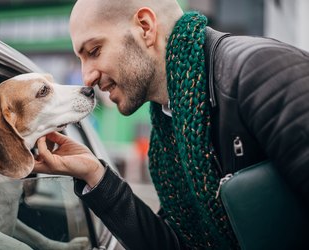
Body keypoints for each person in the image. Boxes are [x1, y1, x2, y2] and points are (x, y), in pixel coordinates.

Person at [34, 0, 309, 249]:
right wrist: (95, 175)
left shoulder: (257, 72)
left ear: (145, 27)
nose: (87, 77)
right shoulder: (169, 132)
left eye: (94, 50)